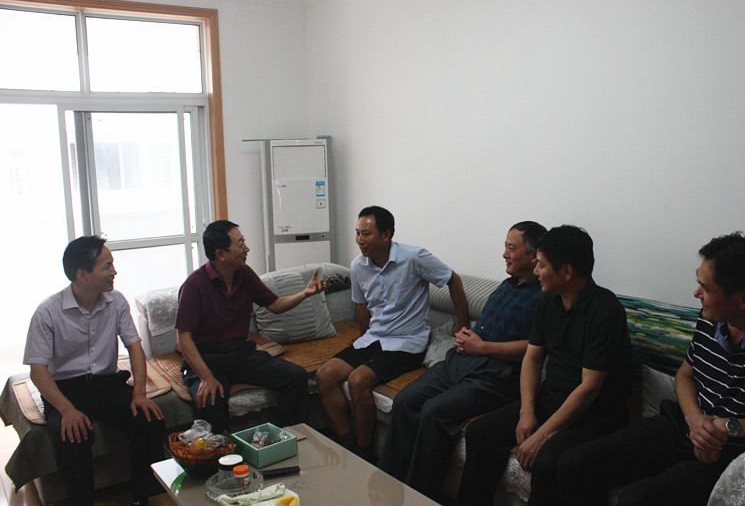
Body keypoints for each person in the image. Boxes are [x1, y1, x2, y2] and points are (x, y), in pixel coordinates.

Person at [558, 232, 745, 506]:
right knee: (574, 463)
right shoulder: (711, 319)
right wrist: (695, 419)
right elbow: (685, 375)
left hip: (728, 449)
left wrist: (726, 427)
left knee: (637, 499)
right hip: (681, 425)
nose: (697, 294)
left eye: (706, 288)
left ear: (743, 299)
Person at [457, 225, 633, 506]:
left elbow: (589, 388)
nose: (536, 271)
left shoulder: (605, 311)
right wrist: (527, 412)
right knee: (481, 432)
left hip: (594, 415)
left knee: (548, 459)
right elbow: (533, 357)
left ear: (566, 271)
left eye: (541, 265)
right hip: (551, 399)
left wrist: (542, 435)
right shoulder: (548, 300)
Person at [379, 221, 547, 500]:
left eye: (511, 248)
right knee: (406, 401)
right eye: (505, 247)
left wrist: (483, 347)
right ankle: (387, 486)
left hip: (496, 376)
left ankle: (421, 497)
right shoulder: (506, 286)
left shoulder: (544, 295)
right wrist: (468, 337)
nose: (504, 254)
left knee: (434, 412)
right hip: (460, 361)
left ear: (533, 256)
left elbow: (535, 348)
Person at [316, 205, 470, 461]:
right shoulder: (358, 265)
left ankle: (364, 452)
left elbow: (452, 280)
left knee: (358, 380)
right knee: (325, 375)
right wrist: (362, 337)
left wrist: (461, 324)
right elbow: (362, 305)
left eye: (366, 234)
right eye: (357, 233)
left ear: (386, 235)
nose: (359, 240)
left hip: (407, 343)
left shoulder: (414, 257)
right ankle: (346, 442)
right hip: (374, 338)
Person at [24, 236, 165, 506]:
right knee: (71, 437)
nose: (114, 271)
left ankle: (143, 498)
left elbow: (135, 347)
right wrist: (67, 410)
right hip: (66, 390)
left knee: (149, 420)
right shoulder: (48, 312)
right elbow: (38, 371)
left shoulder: (116, 301)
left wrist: (139, 393)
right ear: (82, 275)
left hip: (106, 384)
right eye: (107, 266)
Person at [175, 220, 329, 433]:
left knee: (295, 376)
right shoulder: (194, 285)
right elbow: (183, 339)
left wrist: (305, 293)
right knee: (211, 401)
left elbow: (275, 305)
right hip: (208, 359)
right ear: (221, 254)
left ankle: (289, 437)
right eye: (240, 245)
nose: (246, 249)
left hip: (241, 355)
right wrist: (206, 378)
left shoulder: (245, 274)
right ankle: (223, 452)